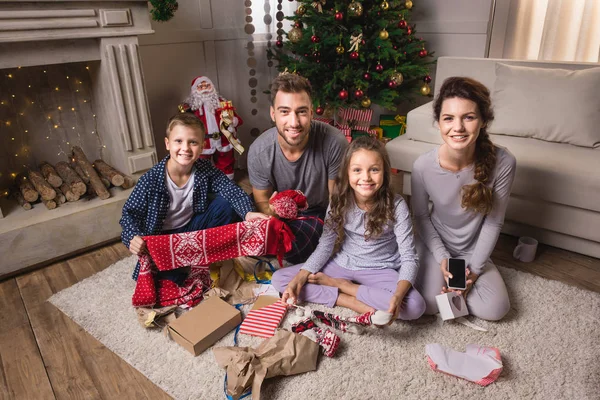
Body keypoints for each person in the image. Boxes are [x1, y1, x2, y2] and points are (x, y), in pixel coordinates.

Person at [271, 137, 426, 321]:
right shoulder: (339, 201)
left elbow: (409, 257)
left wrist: (397, 296)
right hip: (343, 264)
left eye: (374, 170)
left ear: (385, 172)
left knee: (415, 306)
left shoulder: (397, 205)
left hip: (381, 269)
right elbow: (325, 246)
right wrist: (300, 277)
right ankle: (350, 301)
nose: (366, 177)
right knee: (280, 279)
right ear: (347, 173)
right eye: (357, 170)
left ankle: (344, 287)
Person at [411, 76, 516, 321]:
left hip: (473, 248)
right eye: (449, 118)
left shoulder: (504, 163)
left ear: (483, 121)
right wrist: (442, 258)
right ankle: (438, 271)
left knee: (495, 310)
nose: (457, 127)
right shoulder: (422, 166)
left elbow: (493, 222)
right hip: (436, 245)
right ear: (438, 122)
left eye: (468, 117)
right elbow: (421, 217)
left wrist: (473, 273)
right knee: (428, 305)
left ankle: (464, 277)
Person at [120, 113, 268, 280]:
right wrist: (132, 237)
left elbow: (231, 190)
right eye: (179, 141)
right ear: (167, 144)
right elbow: (129, 215)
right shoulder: (151, 180)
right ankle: (184, 265)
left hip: (192, 230)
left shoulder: (204, 168)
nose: (186, 148)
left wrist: (248, 213)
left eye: (193, 142)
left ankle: (208, 257)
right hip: (163, 239)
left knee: (226, 204)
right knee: (174, 280)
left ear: (203, 146)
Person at [247, 73, 348, 264]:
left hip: (317, 212)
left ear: (311, 112)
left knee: (304, 241)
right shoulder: (259, 151)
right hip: (277, 214)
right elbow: (261, 203)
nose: (294, 123)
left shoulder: (334, 142)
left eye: (301, 112)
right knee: (245, 228)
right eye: (284, 112)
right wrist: (273, 214)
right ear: (273, 114)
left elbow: (338, 201)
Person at [180, 75, 244, 180]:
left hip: (223, 140)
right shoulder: (190, 108)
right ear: (195, 90)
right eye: (201, 87)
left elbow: (238, 120)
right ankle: (204, 187)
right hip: (203, 142)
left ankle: (226, 186)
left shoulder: (222, 103)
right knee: (200, 167)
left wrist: (232, 121)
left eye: (207, 86)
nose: (204, 89)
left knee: (226, 164)